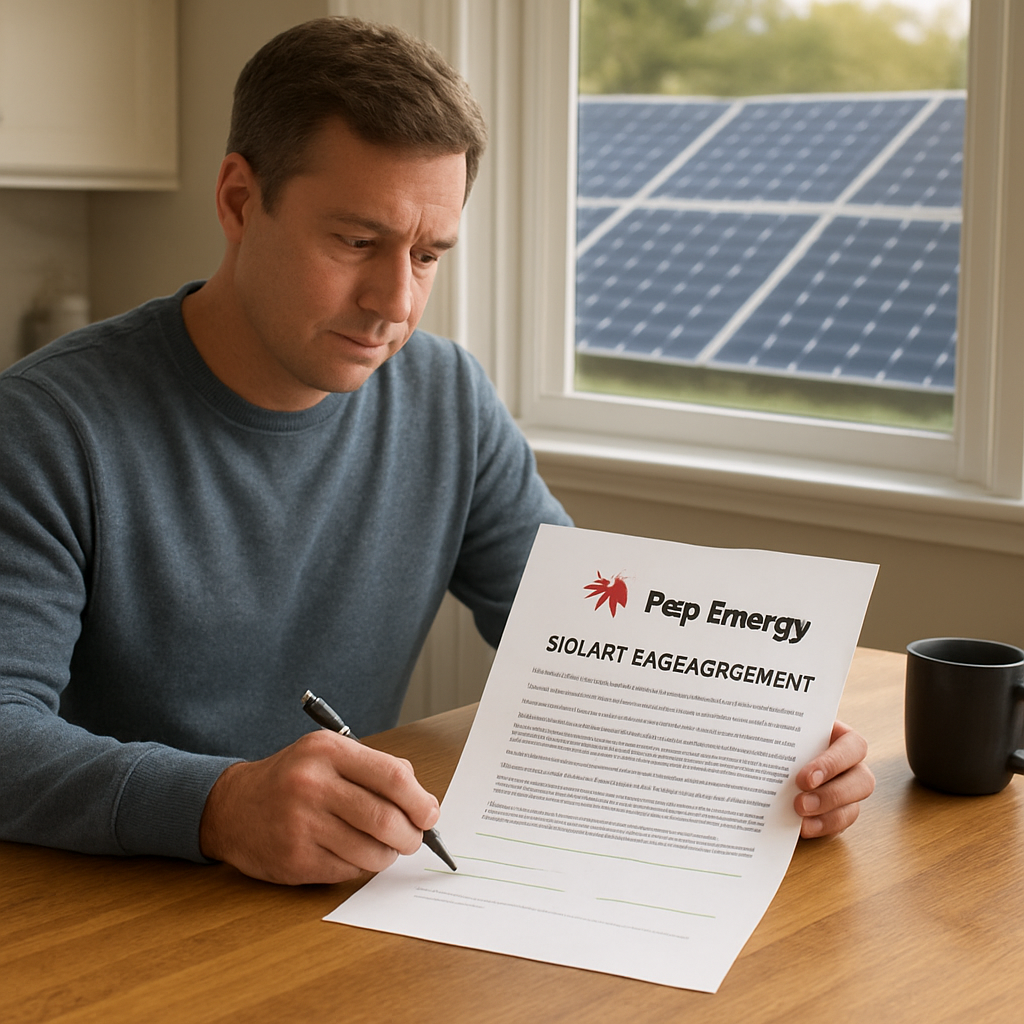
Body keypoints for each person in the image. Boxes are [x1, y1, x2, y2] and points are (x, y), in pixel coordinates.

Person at [0, 17, 873, 886]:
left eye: (428, 254)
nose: (395, 301)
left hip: (344, 903)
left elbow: (583, 634)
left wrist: (759, 747)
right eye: (356, 242)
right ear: (238, 199)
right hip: (104, 913)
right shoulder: (46, 428)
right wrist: (220, 804)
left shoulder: (446, 396)